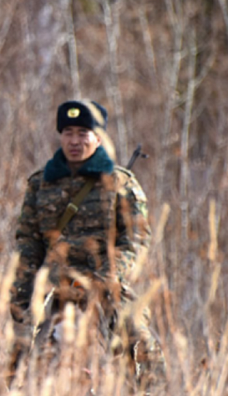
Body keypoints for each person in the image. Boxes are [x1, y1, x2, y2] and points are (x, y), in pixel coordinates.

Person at [9, 99, 165, 389]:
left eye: (83, 133)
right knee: (16, 357)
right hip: (54, 292)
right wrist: (22, 294)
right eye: (68, 132)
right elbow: (28, 244)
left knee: (144, 347)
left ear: (98, 137)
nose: (75, 141)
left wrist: (106, 278)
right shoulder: (39, 184)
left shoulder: (120, 183)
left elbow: (137, 240)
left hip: (107, 288)